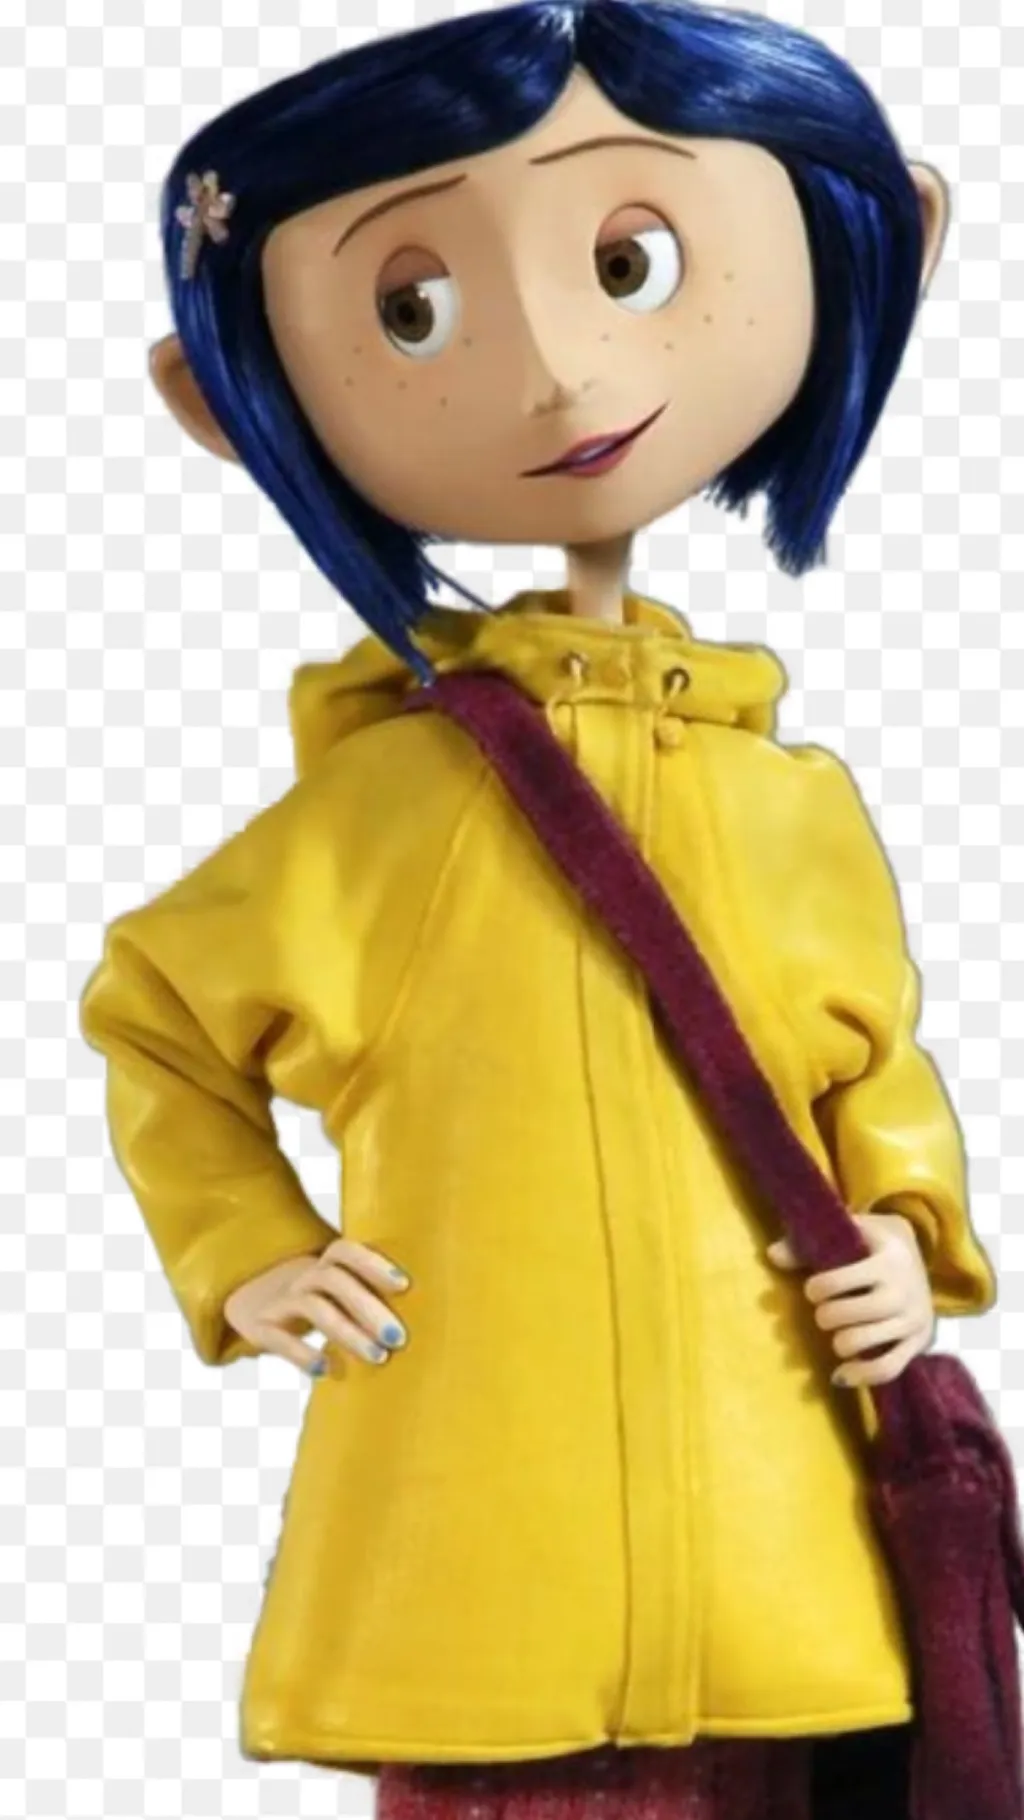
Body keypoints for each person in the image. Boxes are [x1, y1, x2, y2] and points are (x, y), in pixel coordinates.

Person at [78, 4, 998, 1816]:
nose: (568, 375)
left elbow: (872, 1068)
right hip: (486, 1595)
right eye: (414, 307)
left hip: (789, 1552)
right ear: (230, 400)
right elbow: (158, 1015)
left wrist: (909, 1231)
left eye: (629, 262)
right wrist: (247, 1249)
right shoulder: (390, 810)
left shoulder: (792, 801)